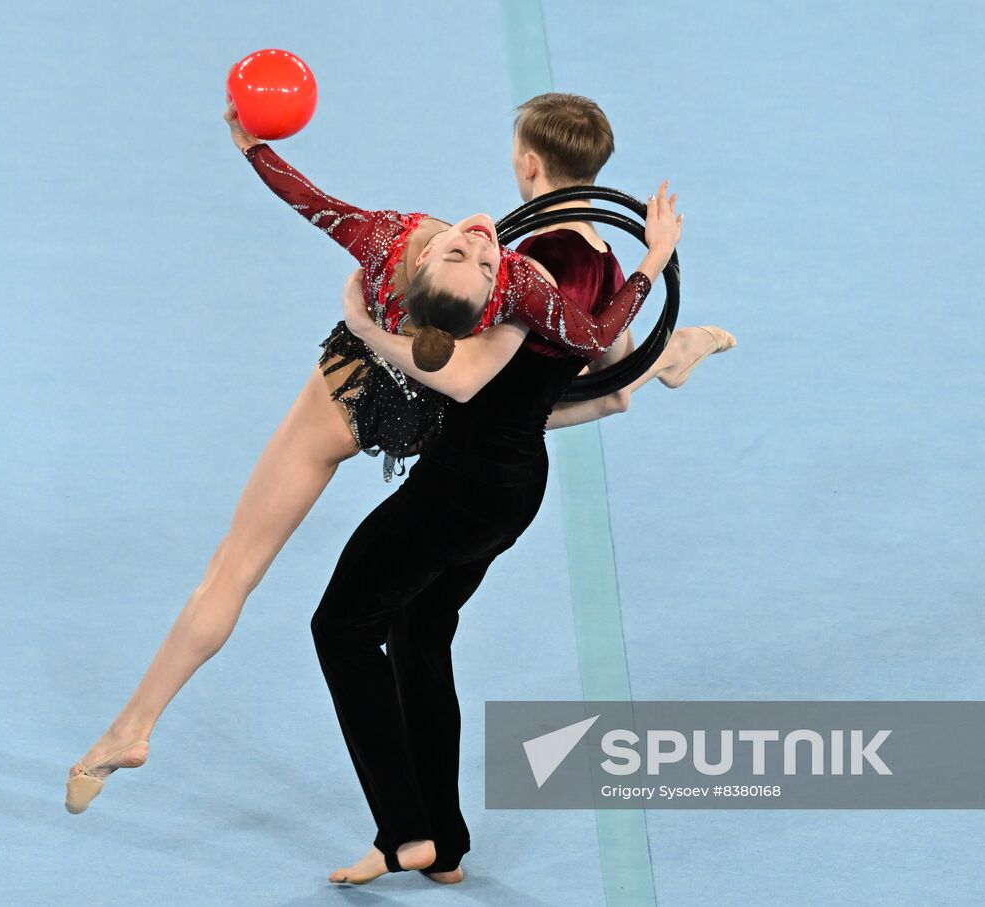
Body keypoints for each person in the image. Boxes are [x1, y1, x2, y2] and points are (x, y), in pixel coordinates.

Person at [64, 96, 727, 819]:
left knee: (235, 565)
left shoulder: (389, 240)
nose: (476, 239)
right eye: (469, 251)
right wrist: (652, 267)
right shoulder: (516, 282)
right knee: (536, 396)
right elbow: (589, 327)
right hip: (424, 413)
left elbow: (314, 203)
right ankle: (660, 364)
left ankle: (133, 726)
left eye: (473, 253)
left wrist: (253, 148)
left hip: (352, 395)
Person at [312, 93, 718, 886]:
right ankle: (445, 846)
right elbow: (616, 381)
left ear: (528, 162)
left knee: (342, 625)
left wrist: (364, 324)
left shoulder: (538, 260)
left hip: (461, 484)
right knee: (423, 629)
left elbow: (462, 378)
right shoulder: (599, 260)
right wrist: (649, 272)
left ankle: (405, 832)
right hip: (513, 484)